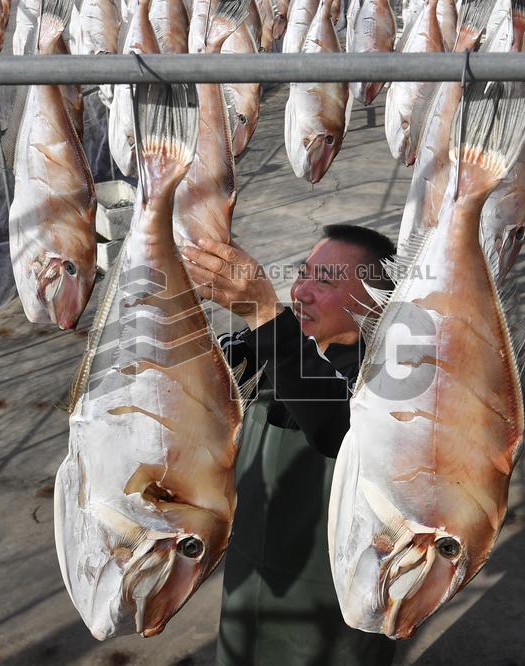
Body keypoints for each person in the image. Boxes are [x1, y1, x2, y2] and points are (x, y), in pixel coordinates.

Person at [180, 224, 398, 666]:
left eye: (326, 282)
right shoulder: (271, 343)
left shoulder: (389, 377)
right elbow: (199, 373)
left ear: (372, 305)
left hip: (335, 601)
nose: (301, 291)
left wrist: (263, 312)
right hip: (254, 578)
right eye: (302, 274)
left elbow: (333, 424)